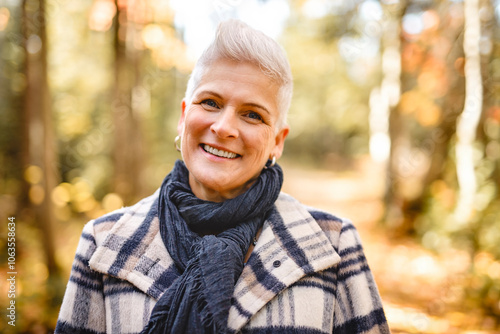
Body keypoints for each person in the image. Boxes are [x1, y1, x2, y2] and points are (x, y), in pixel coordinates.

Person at [55, 19, 390, 334]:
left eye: (252, 114)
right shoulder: (103, 242)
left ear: (277, 140)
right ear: (184, 117)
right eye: (211, 102)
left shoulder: (333, 244)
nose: (224, 127)